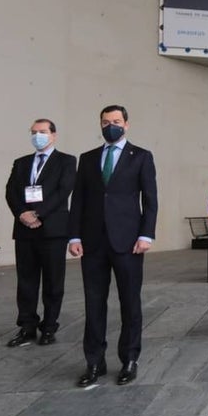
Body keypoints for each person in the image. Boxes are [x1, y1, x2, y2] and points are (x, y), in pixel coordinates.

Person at [68, 105, 158, 387]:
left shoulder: (141, 156)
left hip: (129, 242)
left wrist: (146, 235)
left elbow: (151, 200)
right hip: (93, 243)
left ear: (127, 125)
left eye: (116, 121)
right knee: (94, 303)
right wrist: (74, 236)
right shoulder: (88, 158)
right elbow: (79, 201)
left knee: (130, 302)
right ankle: (94, 362)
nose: (111, 126)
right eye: (106, 122)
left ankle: (129, 358)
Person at [3, 118, 77, 347]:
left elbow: (63, 190)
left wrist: (38, 214)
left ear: (53, 135)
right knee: (26, 281)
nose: (38, 136)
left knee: (54, 282)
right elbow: (11, 191)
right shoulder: (21, 162)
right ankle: (27, 327)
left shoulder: (66, 161)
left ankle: (49, 326)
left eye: (43, 132)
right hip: (24, 230)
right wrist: (22, 214)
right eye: (34, 132)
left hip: (53, 230)